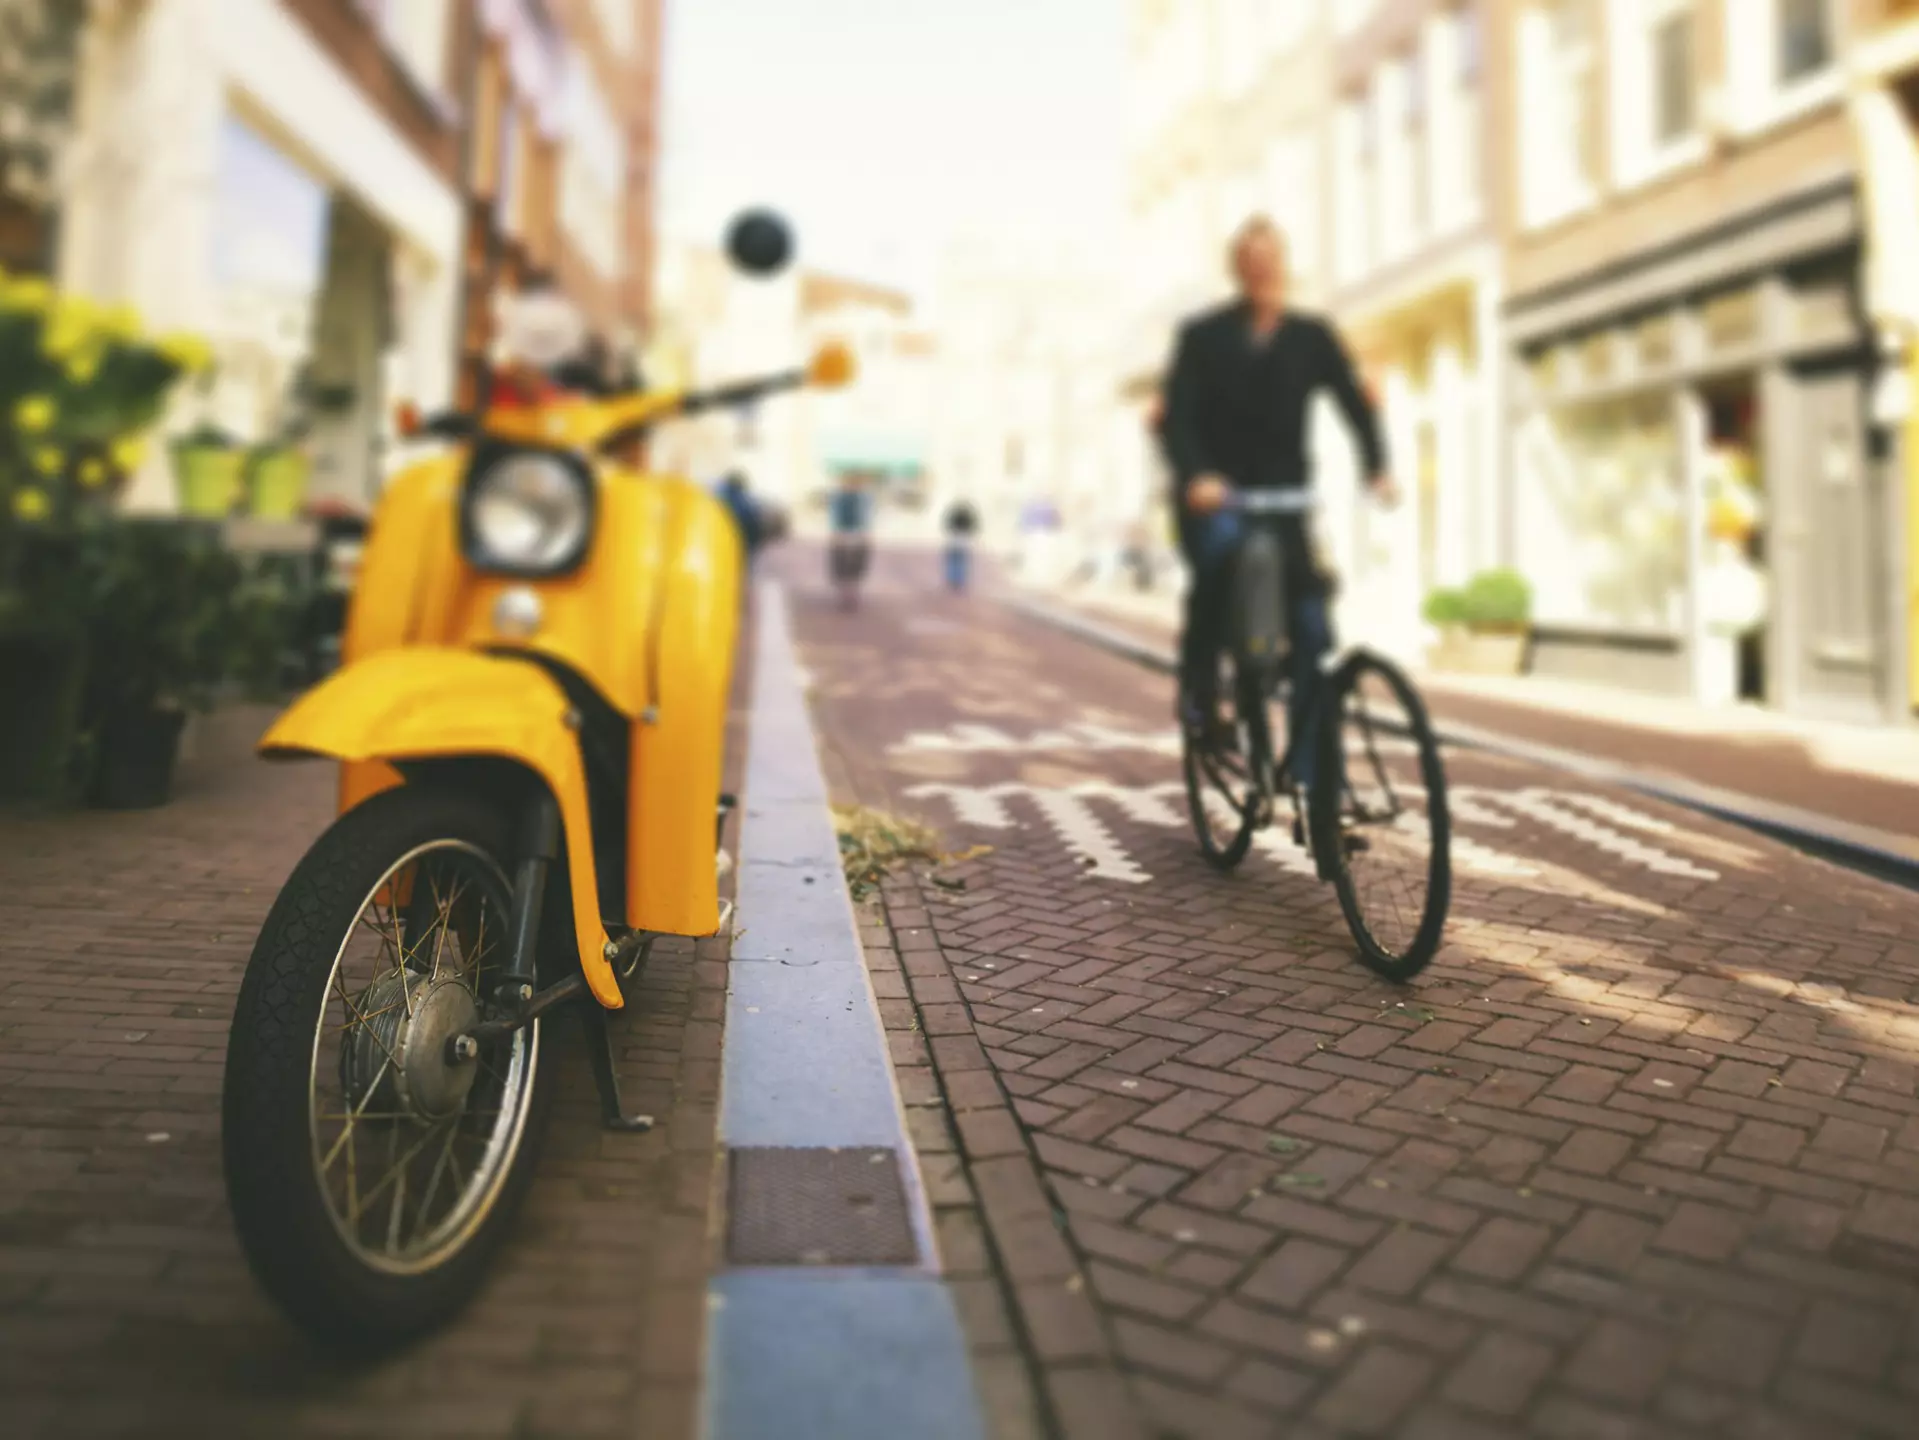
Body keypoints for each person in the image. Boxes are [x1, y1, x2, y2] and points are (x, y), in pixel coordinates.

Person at [1158, 215, 1398, 798]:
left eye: (1271, 260)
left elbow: (1352, 401)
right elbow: (1178, 418)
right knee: (1223, 560)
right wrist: (1195, 476)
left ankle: (1318, 779)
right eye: (1251, 261)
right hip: (1220, 501)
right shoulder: (1204, 337)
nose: (1263, 271)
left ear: (1282, 266)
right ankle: (1201, 691)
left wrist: (1376, 465)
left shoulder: (1311, 337)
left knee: (1313, 631)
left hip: (1286, 504)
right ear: (1238, 270)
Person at [827, 473, 873, 609]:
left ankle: (851, 591)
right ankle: (846, 591)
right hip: (844, 533)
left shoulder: (863, 498)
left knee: (855, 563)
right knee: (842, 562)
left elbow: (866, 517)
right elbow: (835, 516)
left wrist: (865, 533)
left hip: (856, 533)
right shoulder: (840, 498)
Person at [941, 496, 979, 593]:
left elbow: (949, 524)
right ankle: (958, 580)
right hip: (963, 539)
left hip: (955, 539)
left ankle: (953, 580)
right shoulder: (967, 515)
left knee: (955, 561)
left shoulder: (957, 514)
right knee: (960, 562)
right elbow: (973, 525)